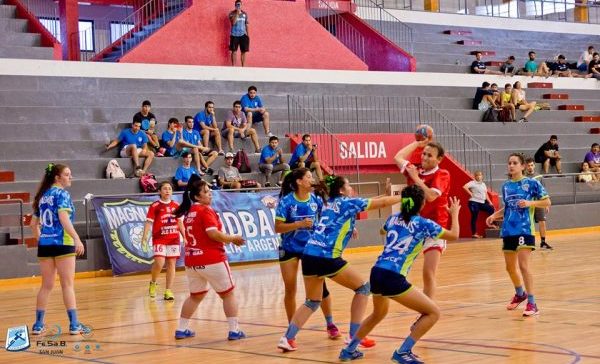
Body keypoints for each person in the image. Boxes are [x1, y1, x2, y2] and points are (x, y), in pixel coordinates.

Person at [277, 175, 402, 352]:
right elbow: (380, 205)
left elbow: (371, 201)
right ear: (342, 190)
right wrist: (404, 197)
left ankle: (287, 338)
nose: (351, 188)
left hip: (309, 254)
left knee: (312, 301)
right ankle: (354, 335)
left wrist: (384, 194)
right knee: (363, 288)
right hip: (326, 256)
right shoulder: (346, 203)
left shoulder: (330, 202)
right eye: (349, 185)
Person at [338, 185, 461, 362]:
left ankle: (349, 349)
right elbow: (454, 235)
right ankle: (403, 352)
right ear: (422, 204)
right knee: (433, 312)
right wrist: (454, 213)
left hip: (377, 271)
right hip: (393, 276)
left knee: (378, 314)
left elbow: (383, 230)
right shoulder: (424, 224)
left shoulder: (393, 218)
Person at [174, 175, 246, 340]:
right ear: (197, 196)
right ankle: (234, 331)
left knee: (195, 295)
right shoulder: (205, 210)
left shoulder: (190, 212)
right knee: (228, 294)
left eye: (210, 191)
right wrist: (233, 238)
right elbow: (213, 234)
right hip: (212, 259)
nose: (210, 193)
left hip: (192, 260)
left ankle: (181, 329)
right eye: (206, 192)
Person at [275, 168, 340, 340]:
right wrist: (299, 224)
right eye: (309, 177)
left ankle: (330, 323)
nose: (312, 180)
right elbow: (277, 227)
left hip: (311, 248)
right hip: (289, 248)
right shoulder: (286, 201)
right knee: (291, 289)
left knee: (322, 287)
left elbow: (327, 218)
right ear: (299, 181)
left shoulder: (316, 200)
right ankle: (291, 330)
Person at [486, 153, 551, 317]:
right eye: (509, 163)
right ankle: (519, 293)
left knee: (524, 266)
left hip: (524, 229)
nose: (511, 165)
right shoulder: (506, 186)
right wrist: (494, 215)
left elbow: (547, 202)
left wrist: (531, 203)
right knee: (509, 268)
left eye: (515, 163)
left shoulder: (531, 183)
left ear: (522, 166)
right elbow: (507, 208)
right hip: (508, 230)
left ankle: (532, 302)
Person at [30, 163, 89, 336]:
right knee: (67, 285)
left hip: (46, 245)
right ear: (57, 177)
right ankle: (74, 325)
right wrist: (77, 238)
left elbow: (33, 224)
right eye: (67, 174)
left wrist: (42, 239)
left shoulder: (42, 196)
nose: (70, 177)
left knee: (46, 286)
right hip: (63, 242)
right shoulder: (62, 194)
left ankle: (38, 325)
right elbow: (64, 218)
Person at [394, 140, 450, 301]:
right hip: (413, 228)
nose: (424, 157)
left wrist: (415, 178)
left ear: (439, 159)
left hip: (435, 229)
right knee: (398, 267)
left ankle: (428, 310)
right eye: (423, 153)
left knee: (428, 272)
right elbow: (398, 157)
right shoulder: (415, 170)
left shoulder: (442, 174)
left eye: (429, 155)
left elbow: (431, 196)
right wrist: (417, 143)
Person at [142, 181, 185, 300]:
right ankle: (153, 282)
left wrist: (185, 237)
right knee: (160, 263)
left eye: (169, 188)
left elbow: (180, 222)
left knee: (171, 264)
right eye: (165, 189)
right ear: (159, 192)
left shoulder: (176, 205)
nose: (167, 191)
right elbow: (149, 222)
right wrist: (144, 236)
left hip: (173, 239)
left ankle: (168, 291)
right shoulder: (155, 206)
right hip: (159, 238)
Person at [524, 158, 553, 250]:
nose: (530, 167)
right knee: (528, 223)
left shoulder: (539, 176)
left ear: (534, 165)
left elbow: (544, 191)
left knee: (542, 222)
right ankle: (529, 243)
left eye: (531, 165)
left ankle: (543, 242)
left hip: (538, 202)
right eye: (528, 165)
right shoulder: (523, 177)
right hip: (528, 203)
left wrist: (546, 204)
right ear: (525, 166)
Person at [463, 170, 495, 238]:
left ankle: (491, 224)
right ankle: (474, 233)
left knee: (491, 209)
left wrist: (490, 202)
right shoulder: (472, 183)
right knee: (474, 216)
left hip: (482, 202)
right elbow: (465, 187)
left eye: (480, 175)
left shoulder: (483, 184)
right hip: (474, 202)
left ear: (482, 176)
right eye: (477, 175)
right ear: (475, 176)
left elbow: (486, 194)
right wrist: (471, 193)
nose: (478, 176)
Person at [229, 0, 249, 67]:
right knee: (234, 51)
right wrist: (237, 13)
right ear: (235, 5)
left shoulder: (245, 14)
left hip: (243, 34)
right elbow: (233, 23)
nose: (238, 6)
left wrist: (248, 35)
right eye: (237, 4)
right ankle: (234, 66)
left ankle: (243, 67)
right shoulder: (231, 13)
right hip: (234, 34)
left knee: (243, 51)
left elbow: (247, 24)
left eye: (239, 4)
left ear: (241, 5)